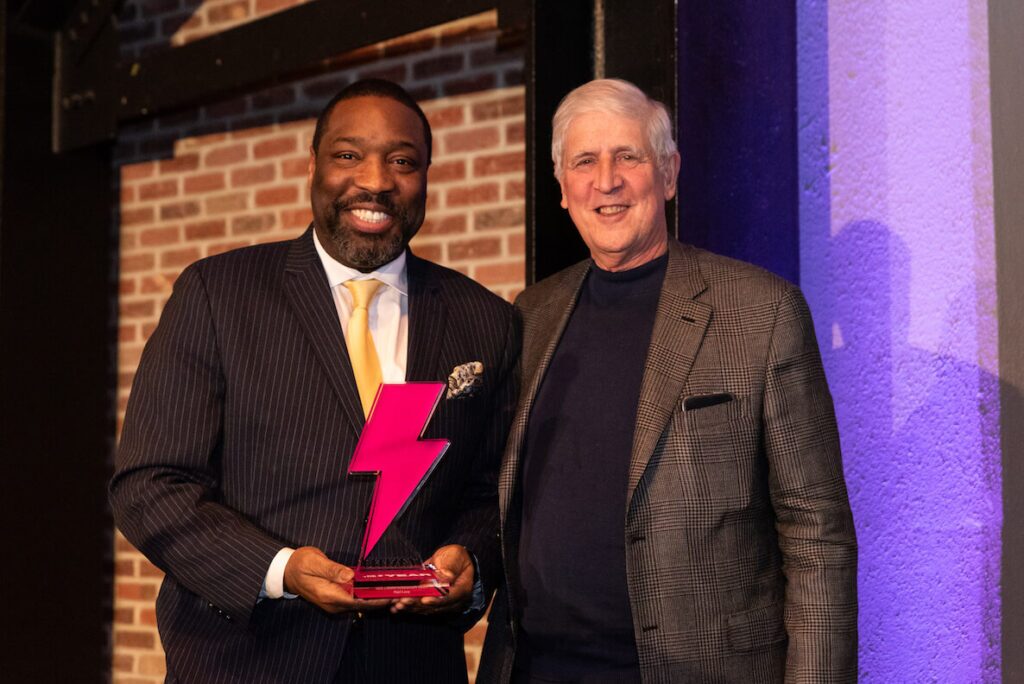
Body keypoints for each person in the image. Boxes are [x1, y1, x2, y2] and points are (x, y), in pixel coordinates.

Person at [110, 79, 518, 683]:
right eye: (349, 155)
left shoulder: (486, 319)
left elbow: (491, 491)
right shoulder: (217, 294)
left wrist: (472, 562)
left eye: (402, 161)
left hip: (411, 665)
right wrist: (279, 569)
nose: (376, 181)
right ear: (314, 165)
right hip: (246, 662)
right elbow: (149, 484)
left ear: (427, 175)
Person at [478, 79, 857, 683]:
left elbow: (818, 538)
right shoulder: (530, 315)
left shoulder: (762, 311)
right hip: (536, 669)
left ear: (670, 173)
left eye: (628, 156)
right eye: (584, 162)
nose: (607, 180)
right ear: (562, 188)